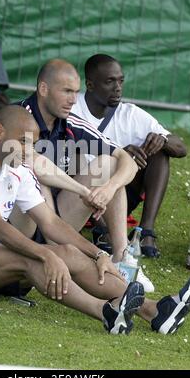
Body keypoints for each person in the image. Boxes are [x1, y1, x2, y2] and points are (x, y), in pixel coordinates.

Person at [0, 105, 190, 335]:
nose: (28, 150)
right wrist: (44, 254)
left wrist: (98, 253)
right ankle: (107, 313)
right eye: (23, 142)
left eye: (33, 144)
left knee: (67, 253)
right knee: (38, 258)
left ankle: (155, 311)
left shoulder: (19, 166)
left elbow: (50, 222)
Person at [14, 58, 155, 292]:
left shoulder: (70, 122)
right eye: (66, 91)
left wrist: (108, 189)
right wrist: (84, 191)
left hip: (55, 224)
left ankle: (121, 260)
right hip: (16, 225)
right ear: (43, 89)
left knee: (109, 166)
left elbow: (126, 160)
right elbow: (33, 163)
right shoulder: (17, 117)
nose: (73, 99)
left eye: (76, 92)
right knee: (32, 177)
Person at [72, 54, 187, 258]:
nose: (118, 87)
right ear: (90, 85)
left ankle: (145, 232)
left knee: (160, 151)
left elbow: (181, 148)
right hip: (79, 191)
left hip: (117, 193)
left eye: (121, 80)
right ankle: (104, 231)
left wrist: (163, 140)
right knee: (77, 158)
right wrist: (119, 156)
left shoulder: (130, 113)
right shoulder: (73, 109)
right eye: (110, 81)